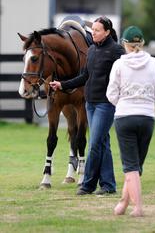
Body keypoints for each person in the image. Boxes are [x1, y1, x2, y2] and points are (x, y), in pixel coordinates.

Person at [50, 16, 125, 195]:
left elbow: (126, 73)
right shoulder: (91, 50)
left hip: (106, 104)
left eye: (98, 30)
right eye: (94, 30)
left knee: (94, 143)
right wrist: (62, 84)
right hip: (90, 103)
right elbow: (84, 77)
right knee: (103, 143)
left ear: (107, 32)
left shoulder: (116, 51)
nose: (94, 33)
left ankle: (88, 184)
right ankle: (108, 185)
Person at [106, 25, 155, 216]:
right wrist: (144, 102)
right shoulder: (154, 63)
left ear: (124, 44)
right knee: (136, 165)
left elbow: (111, 94)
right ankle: (123, 203)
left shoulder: (119, 65)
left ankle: (138, 207)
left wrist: (125, 103)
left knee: (131, 166)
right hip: (147, 117)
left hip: (125, 116)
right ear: (142, 43)